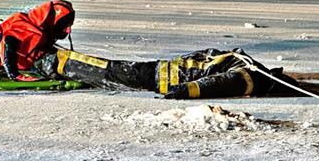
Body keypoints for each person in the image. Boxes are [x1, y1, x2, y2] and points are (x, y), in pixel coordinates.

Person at [32, 47, 300, 99]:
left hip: (164, 76)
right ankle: (55, 62)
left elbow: (217, 83)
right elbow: (221, 80)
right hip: (164, 74)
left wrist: (187, 91)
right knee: (111, 71)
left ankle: (55, 63)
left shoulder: (248, 73)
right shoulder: (251, 73)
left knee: (111, 71)